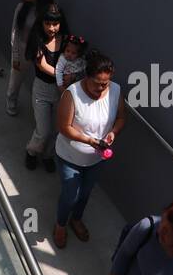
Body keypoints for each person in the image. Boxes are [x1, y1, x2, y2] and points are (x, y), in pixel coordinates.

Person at [53, 51, 126, 248]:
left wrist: (113, 133)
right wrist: (89, 140)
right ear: (87, 76)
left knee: (85, 193)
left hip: (96, 159)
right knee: (71, 195)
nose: (102, 88)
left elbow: (120, 118)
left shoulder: (115, 91)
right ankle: (60, 224)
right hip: (69, 155)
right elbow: (64, 127)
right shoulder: (72, 94)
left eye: (106, 83)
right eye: (98, 83)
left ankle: (76, 219)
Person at [25, 5, 67, 173]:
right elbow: (42, 66)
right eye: (48, 23)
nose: (51, 28)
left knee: (56, 130)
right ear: (41, 23)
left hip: (62, 93)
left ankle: (48, 155)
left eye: (55, 24)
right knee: (43, 130)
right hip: (42, 90)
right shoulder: (37, 41)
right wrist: (63, 77)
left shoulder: (66, 41)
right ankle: (32, 152)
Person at [6, 0, 55, 116]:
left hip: (40, 54)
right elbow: (15, 32)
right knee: (15, 79)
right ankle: (11, 101)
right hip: (22, 51)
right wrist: (15, 56)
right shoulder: (22, 7)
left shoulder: (49, 12)